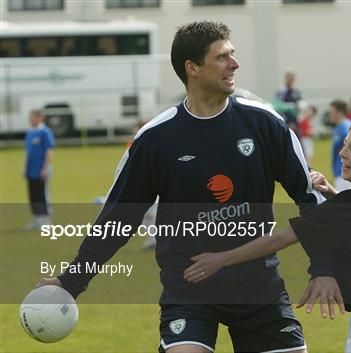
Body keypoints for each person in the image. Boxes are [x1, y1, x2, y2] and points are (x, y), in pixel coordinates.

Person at [37, 21, 323, 353]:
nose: (235, 64)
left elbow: (310, 199)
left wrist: (324, 268)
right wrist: (72, 281)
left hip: (259, 289)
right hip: (189, 292)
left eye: (232, 54)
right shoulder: (156, 139)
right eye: (222, 57)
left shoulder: (265, 123)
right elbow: (118, 219)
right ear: (192, 68)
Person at [184, 119, 351, 353]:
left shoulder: (345, 208)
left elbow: (280, 239)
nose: (342, 153)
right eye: (344, 145)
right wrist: (332, 193)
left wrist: (222, 259)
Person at [23, 109, 55, 230]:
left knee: (43, 194)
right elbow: (28, 152)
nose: (30, 120)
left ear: (39, 118)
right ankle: (36, 219)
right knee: (33, 195)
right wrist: (25, 168)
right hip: (31, 170)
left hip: (42, 169)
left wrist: (45, 168)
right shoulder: (30, 133)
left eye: (32, 117)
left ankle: (46, 220)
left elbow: (49, 151)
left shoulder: (45, 132)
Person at [329, 99, 351, 191]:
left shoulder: (347, 127)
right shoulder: (337, 128)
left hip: (346, 171)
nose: (330, 114)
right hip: (338, 170)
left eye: (332, 112)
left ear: (340, 112)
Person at [275, 70, 303, 137]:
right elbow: (277, 106)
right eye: (289, 77)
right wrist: (287, 122)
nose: (290, 79)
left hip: (295, 121)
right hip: (286, 121)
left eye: (292, 77)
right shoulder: (281, 91)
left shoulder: (296, 91)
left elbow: (300, 105)